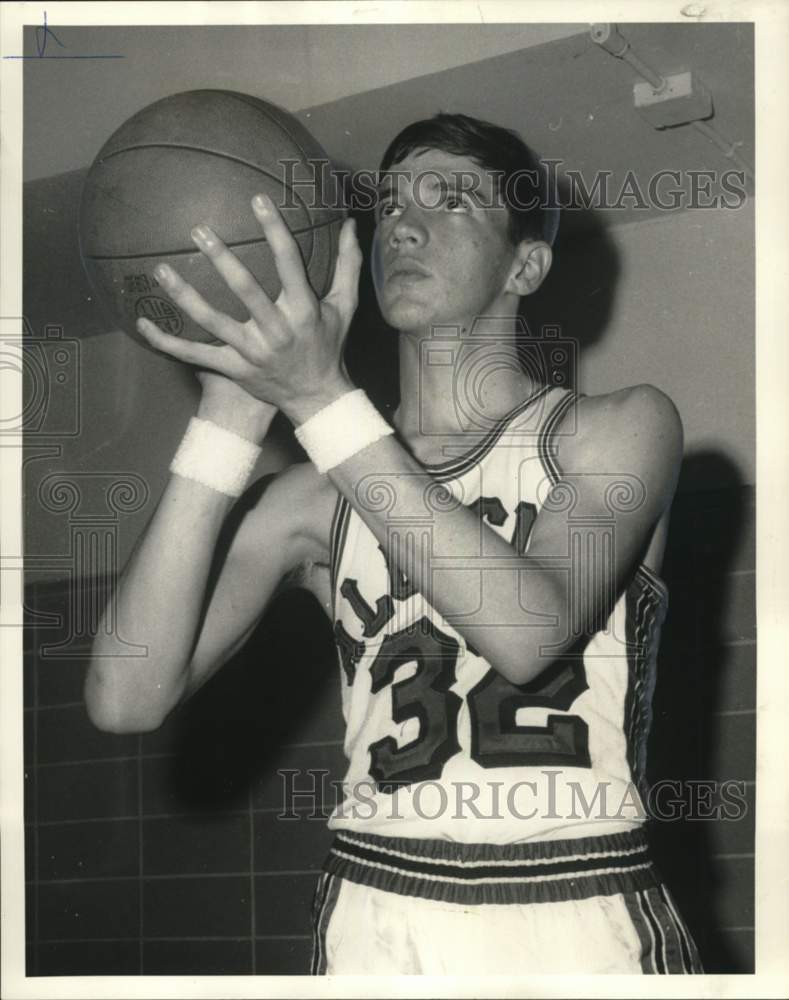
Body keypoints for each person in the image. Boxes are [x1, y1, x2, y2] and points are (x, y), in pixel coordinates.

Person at [86, 113, 702, 975]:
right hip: (381, 909)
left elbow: (528, 634)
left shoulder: (612, 429)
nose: (403, 224)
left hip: (580, 898)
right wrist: (232, 410)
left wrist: (318, 400)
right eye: (390, 204)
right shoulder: (310, 498)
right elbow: (125, 698)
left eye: (451, 201)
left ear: (524, 264)